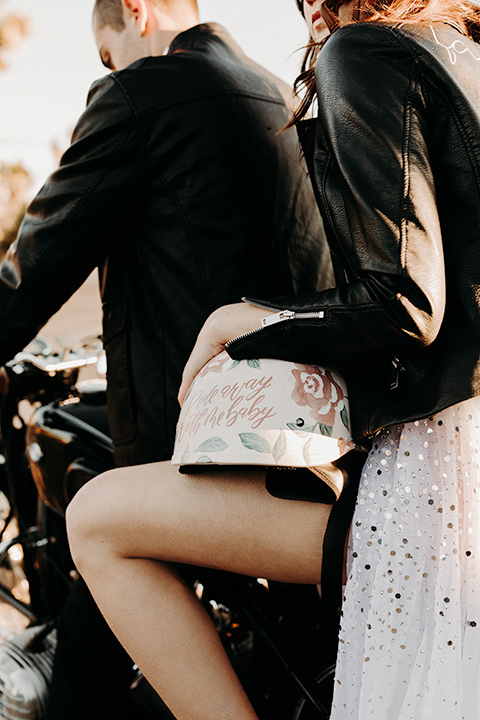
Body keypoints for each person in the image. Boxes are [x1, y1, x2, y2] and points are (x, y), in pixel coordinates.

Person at [67, 0, 480, 718]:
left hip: (440, 488)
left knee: (97, 518)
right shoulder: (465, 47)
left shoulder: (367, 51)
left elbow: (405, 299)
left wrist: (245, 322)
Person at [0, 1, 334, 717]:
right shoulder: (281, 90)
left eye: (104, 52)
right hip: (299, 439)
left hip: (187, 451)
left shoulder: (143, 95)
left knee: (96, 528)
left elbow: (33, 271)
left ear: (139, 13)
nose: (109, 69)